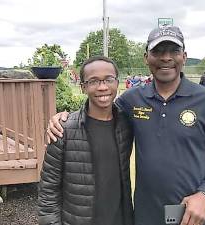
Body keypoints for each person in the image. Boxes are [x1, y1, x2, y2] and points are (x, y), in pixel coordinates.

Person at [47, 26, 205, 225]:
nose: (166, 57)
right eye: (158, 51)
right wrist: (65, 118)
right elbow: (99, 111)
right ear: (146, 57)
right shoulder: (132, 99)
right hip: (146, 215)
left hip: (192, 215)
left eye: (174, 51)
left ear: (184, 57)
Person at [38, 56, 134, 225]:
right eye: (94, 81)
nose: (103, 87)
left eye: (108, 80)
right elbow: (48, 191)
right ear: (83, 87)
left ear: (117, 83)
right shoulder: (63, 130)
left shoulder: (127, 124)